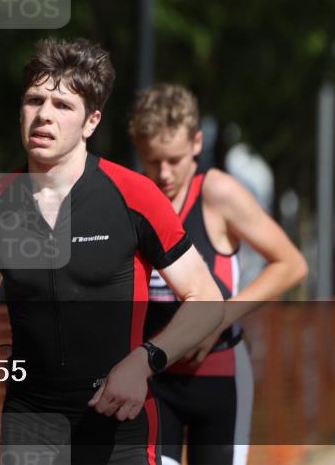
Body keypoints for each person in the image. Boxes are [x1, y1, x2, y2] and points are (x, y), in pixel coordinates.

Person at [0, 39, 225, 465]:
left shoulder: (134, 195)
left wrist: (144, 362)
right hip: (29, 425)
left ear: (91, 121)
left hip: (120, 422)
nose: (44, 114)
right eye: (34, 100)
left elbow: (206, 298)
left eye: (63, 105)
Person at [127, 84, 308, 465]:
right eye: (153, 160)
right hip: (154, 380)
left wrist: (218, 317)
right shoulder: (131, 196)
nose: (164, 173)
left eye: (174, 160)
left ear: (197, 142)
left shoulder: (218, 193)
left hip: (219, 373)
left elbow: (291, 264)